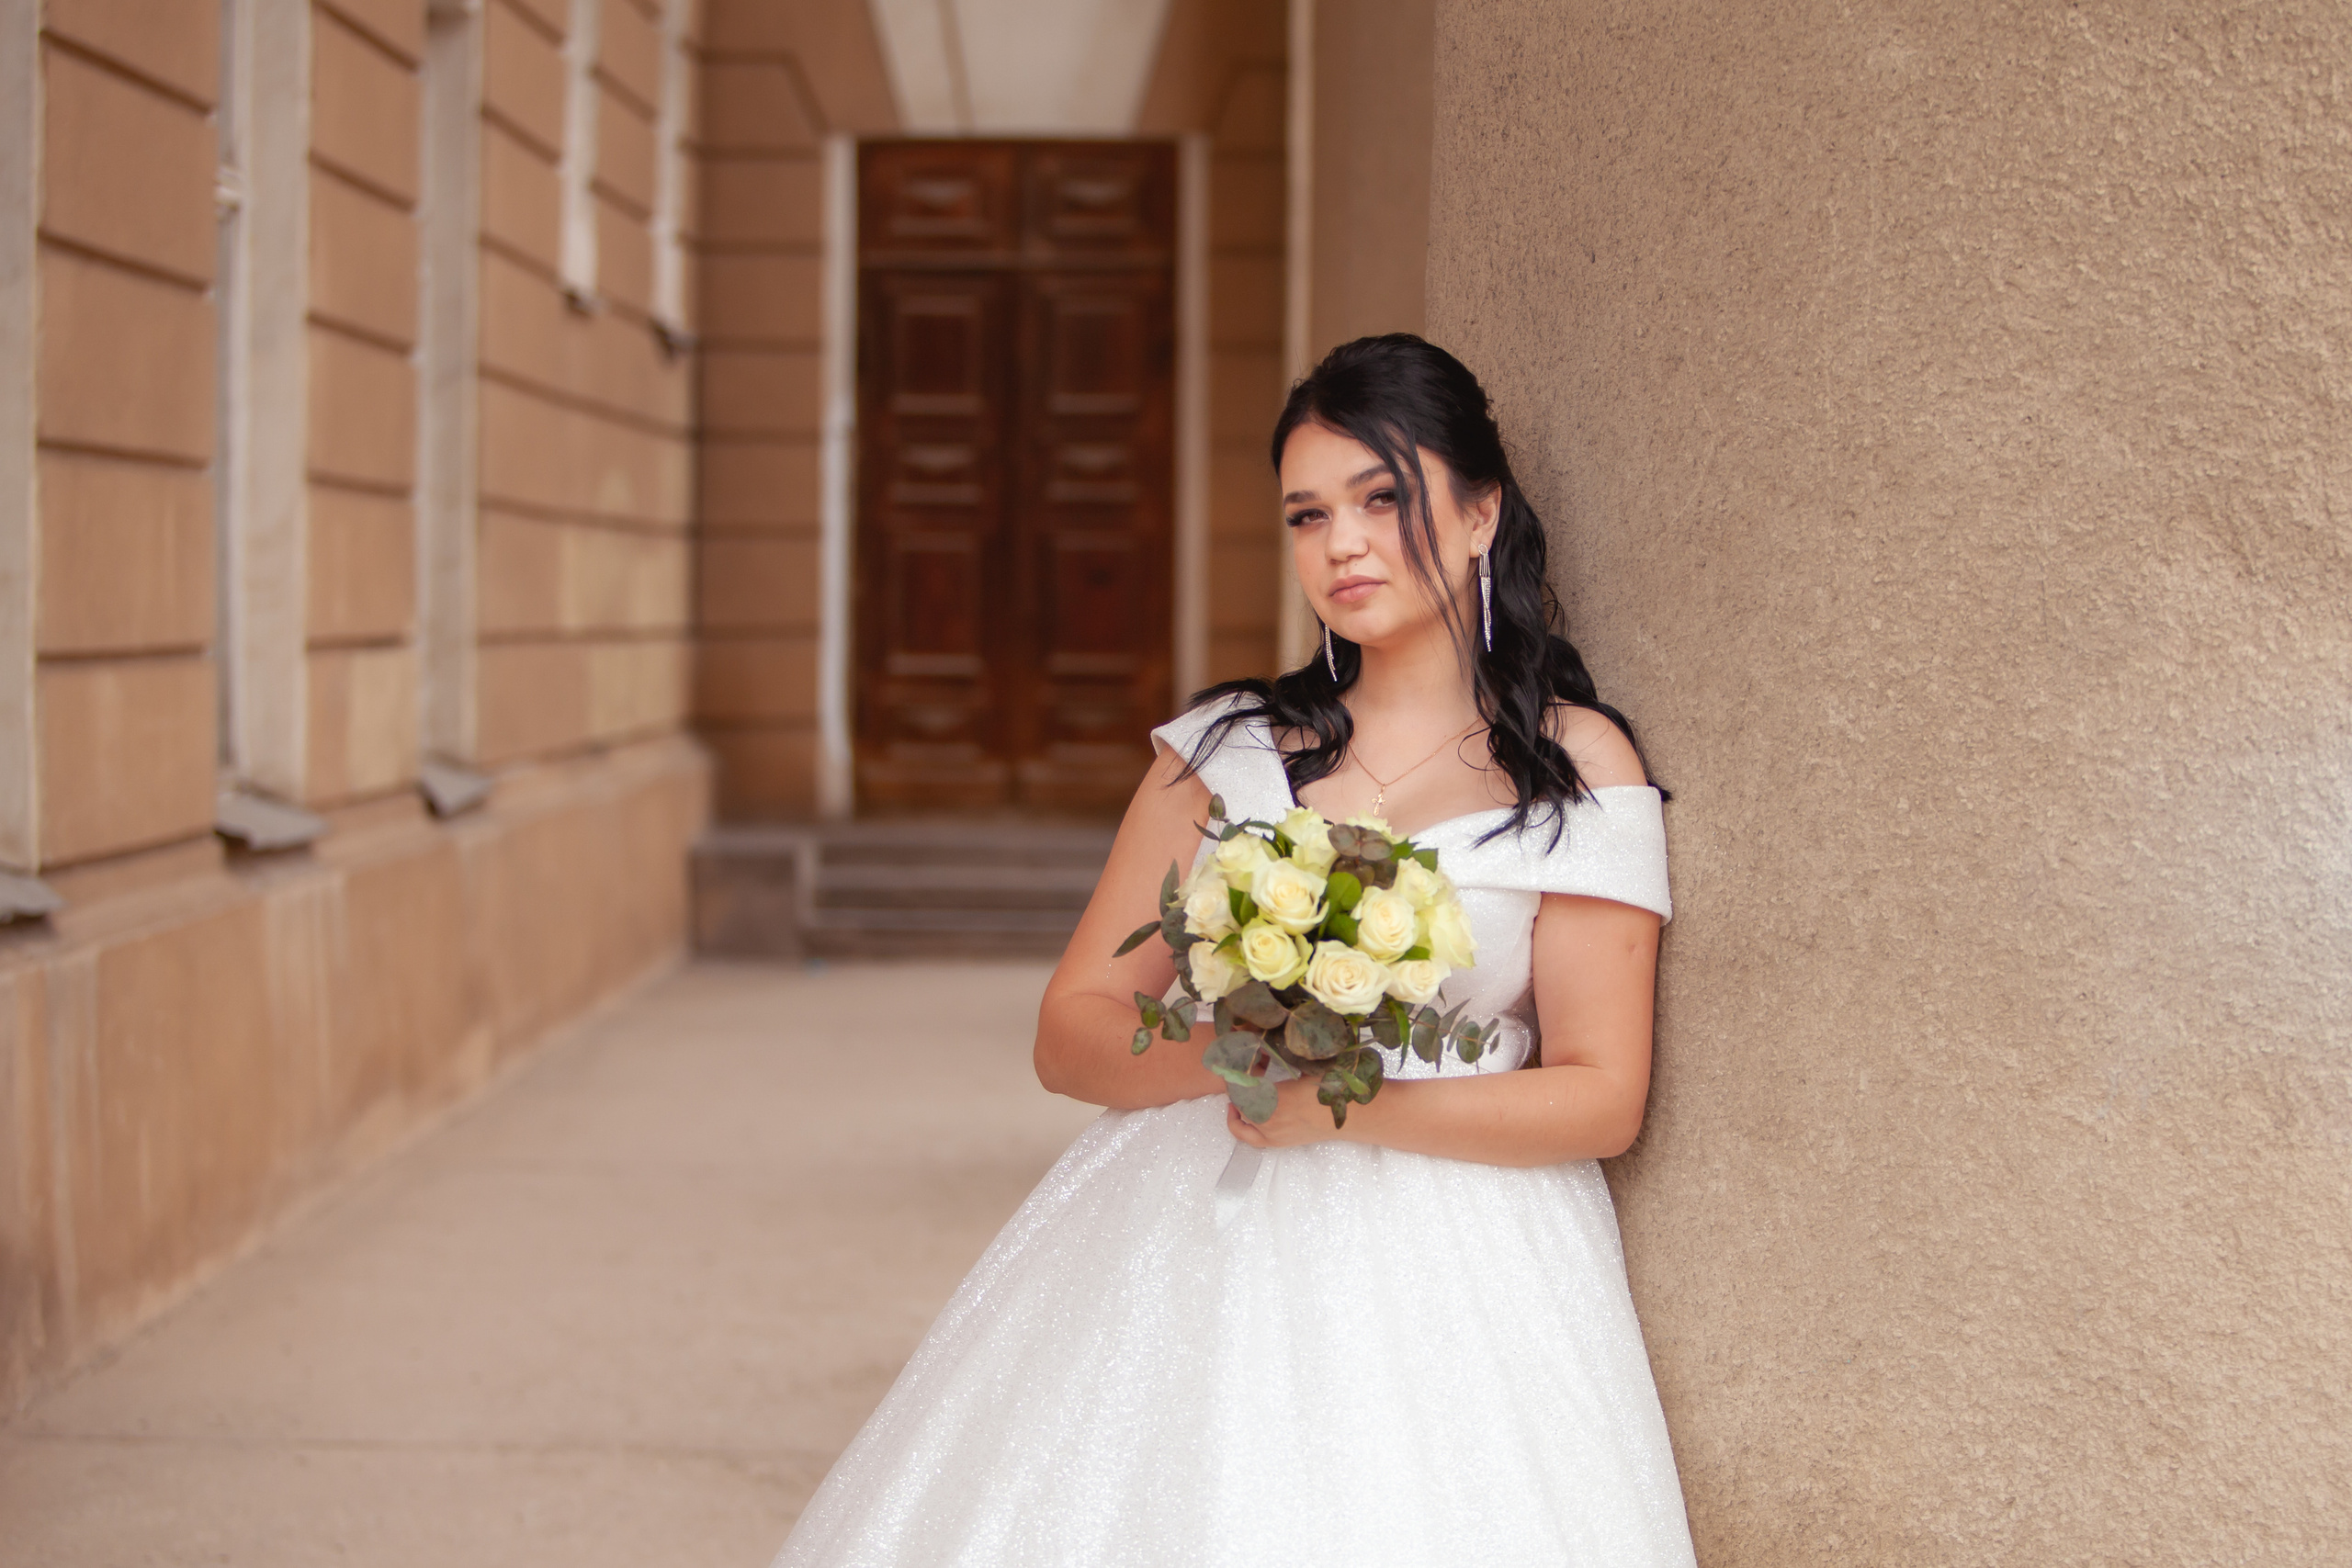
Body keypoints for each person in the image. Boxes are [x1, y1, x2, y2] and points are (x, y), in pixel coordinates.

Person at [772, 335, 1697, 1567]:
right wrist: (1242, 1055)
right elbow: (1071, 1029)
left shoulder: (1573, 768)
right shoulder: (1225, 750)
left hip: (1470, 1263)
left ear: (1483, 515)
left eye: (1383, 499)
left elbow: (1602, 1095)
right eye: (1308, 516)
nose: (1343, 544)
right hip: (1204, 1214)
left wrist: (1348, 1106)